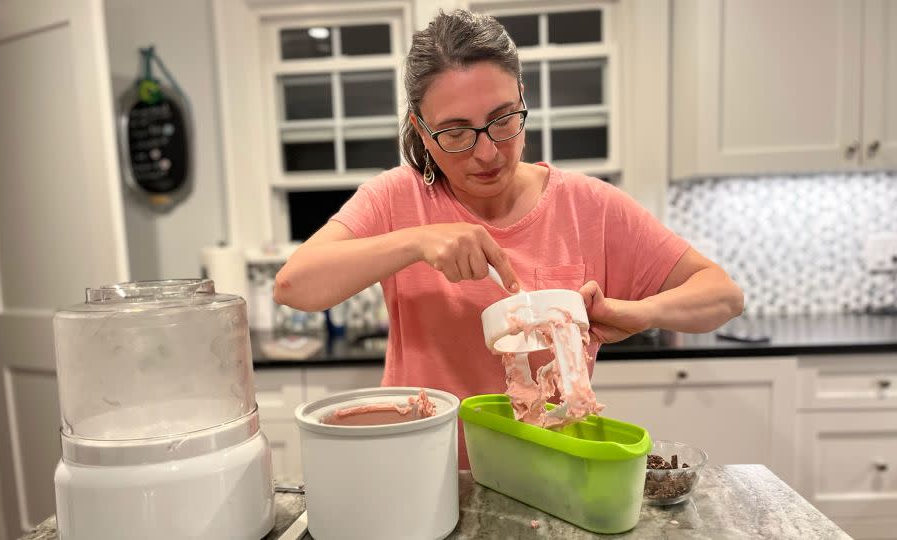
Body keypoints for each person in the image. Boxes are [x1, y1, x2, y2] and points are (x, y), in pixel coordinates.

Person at [274, 9, 744, 467]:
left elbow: (723, 296)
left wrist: (634, 314)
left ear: (522, 96)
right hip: (423, 473)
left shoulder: (590, 206)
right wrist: (415, 242)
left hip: (547, 472)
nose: (487, 152)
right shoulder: (397, 199)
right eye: (456, 132)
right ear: (421, 129)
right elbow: (293, 286)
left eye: (502, 120)